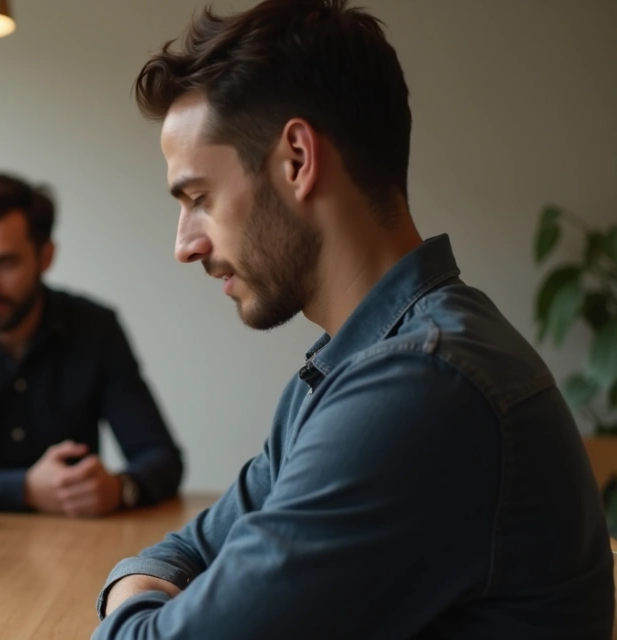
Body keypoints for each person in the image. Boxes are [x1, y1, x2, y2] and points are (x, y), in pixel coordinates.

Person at [93, 2, 614, 638]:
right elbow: (189, 550)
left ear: (297, 159)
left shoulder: (422, 387)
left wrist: (131, 601)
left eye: (200, 199)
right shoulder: (349, 369)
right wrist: (145, 583)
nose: (185, 245)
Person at [0, 172, 184, 516]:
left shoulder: (95, 327)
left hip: (73, 546)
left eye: (5, 263)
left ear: (45, 256)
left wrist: (119, 489)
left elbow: (161, 457)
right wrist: (23, 489)